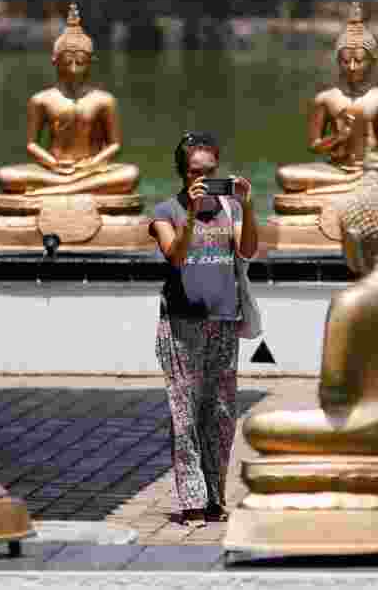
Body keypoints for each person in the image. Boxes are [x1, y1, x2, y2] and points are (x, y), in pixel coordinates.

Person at [150, 131, 259, 527]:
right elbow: (175, 257)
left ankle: (215, 497)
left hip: (223, 321)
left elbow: (247, 251)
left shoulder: (229, 209)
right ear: (183, 172)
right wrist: (192, 212)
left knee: (222, 412)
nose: (205, 178)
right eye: (197, 172)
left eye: (211, 172)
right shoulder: (166, 211)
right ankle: (192, 500)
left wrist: (247, 206)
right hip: (181, 324)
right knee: (185, 413)